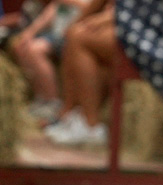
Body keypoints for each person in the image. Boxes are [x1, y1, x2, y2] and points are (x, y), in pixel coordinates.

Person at [44, 0, 114, 146]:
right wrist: (79, 21)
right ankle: (71, 114)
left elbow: (144, 10)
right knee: (73, 32)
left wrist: (104, 18)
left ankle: (91, 126)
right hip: (122, 21)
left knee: (78, 37)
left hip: (144, 31)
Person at [8, 0, 86, 123]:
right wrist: (28, 33)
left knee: (37, 50)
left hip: (77, 33)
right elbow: (50, 12)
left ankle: (54, 104)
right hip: (57, 34)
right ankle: (43, 99)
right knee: (25, 48)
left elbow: (93, 8)